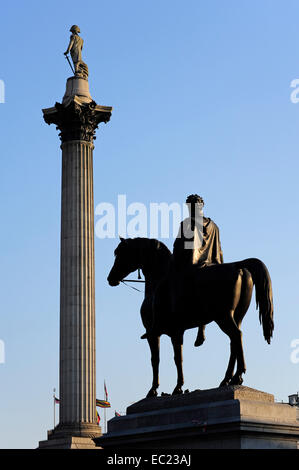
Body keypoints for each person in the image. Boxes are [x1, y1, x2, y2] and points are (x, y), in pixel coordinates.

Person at [173, 194, 223, 346]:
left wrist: (174, 259)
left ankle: (177, 318)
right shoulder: (213, 225)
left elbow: (183, 249)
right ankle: (202, 329)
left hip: (193, 266)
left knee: (173, 287)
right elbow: (218, 250)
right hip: (212, 265)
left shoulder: (188, 223)